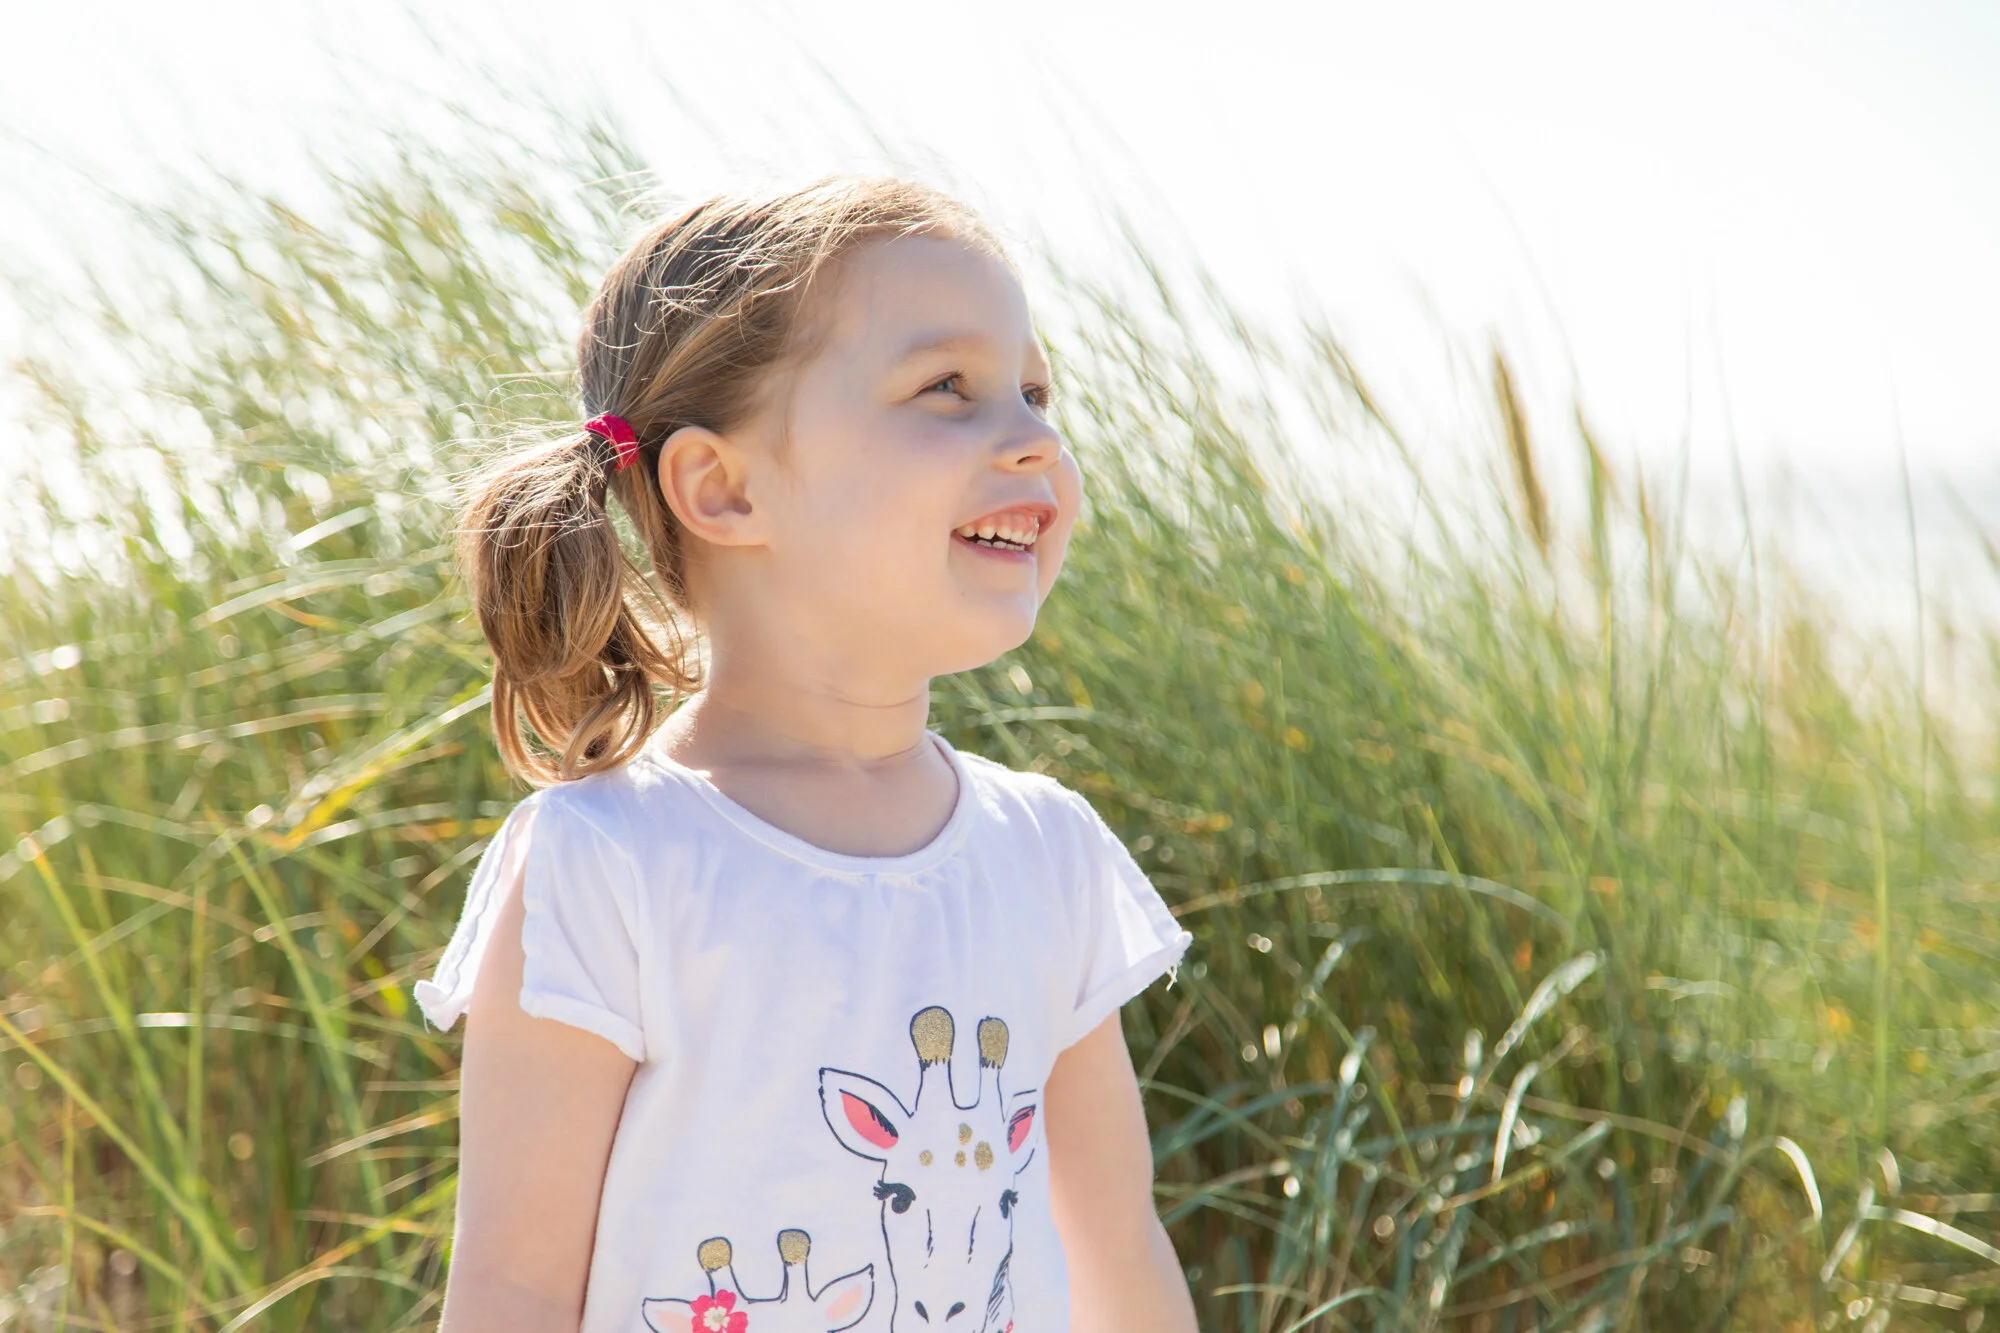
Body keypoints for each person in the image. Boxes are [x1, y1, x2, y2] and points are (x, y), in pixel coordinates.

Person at [412, 175, 1199, 1333]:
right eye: (947, 388)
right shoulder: (611, 858)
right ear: (723, 488)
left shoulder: (1048, 852)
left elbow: (1118, 1258)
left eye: (1033, 392)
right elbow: (512, 1290)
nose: (1036, 439)